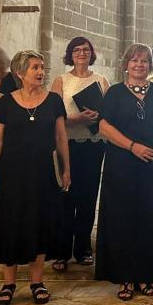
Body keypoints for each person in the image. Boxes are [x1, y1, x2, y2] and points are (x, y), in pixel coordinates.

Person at [0, 50, 70, 305]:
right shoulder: (5, 102)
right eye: (34, 67)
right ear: (20, 73)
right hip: (10, 174)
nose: (40, 72)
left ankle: (36, 281)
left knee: (39, 223)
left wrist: (66, 169)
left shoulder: (54, 100)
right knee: (10, 224)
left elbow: (61, 138)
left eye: (42, 67)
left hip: (42, 174)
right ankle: (8, 283)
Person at [95, 44, 153, 300]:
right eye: (134, 60)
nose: (139, 65)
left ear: (150, 66)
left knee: (149, 219)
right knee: (122, 220)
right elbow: (103, 126)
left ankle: (146, 276)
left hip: (152, 166)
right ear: (125, 64)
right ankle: (124, 277)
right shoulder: (114, 92)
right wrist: (132, 146)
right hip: (121, 165)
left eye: (145, 61)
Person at [49, 37, 109, 272]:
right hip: (68, 143)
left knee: (87, 196)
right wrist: (76, 118)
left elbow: (108, 113)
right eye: (77, 50)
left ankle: (83, 248)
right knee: (66, 196)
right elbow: (53, 115)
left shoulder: (101, 80)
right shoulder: (61, 80)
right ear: (70, 54)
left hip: (94, 144)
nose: (82, 53)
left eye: (86, 49)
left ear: (91, 53)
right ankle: (61, 251)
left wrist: (98, 116)